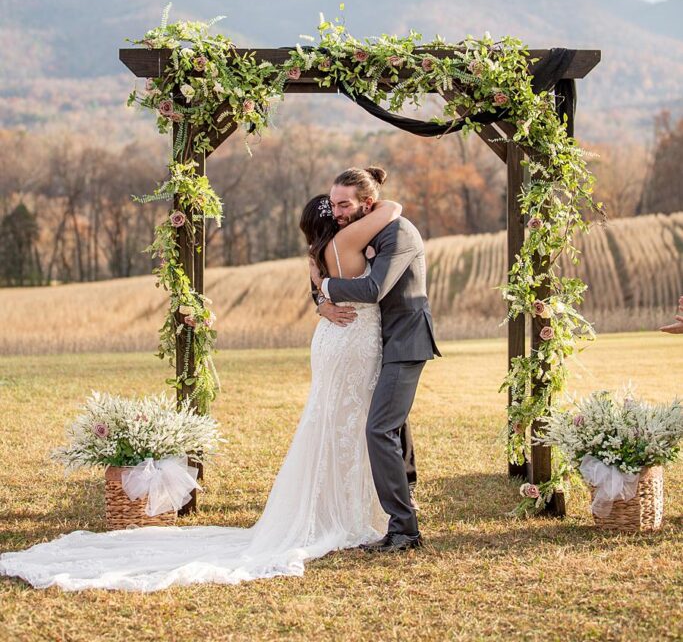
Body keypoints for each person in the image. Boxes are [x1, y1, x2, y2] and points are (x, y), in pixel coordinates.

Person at [0, 187, 402, 592]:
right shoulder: (347, 239)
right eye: (336, 208)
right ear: (332, 219)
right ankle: (349, 514)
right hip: (352, 339)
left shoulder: (317, 254)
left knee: (334, 422)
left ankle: (341, 509)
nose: (342, 213)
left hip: (334, 339)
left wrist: (323, 298)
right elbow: (393, 208)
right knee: (348, 422)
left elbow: (322, 288)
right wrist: (366, 200)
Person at [311, 167, 440, 552]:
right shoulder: (364, 231)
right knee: (393, 425)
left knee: (379, 428)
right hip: (377, 343)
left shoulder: (399, 232)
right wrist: (321, 302)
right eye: (332, 204)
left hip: (405, 342)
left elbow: (373, 288)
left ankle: (405, 529)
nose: (336, 211)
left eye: (344, 204)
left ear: (368, 203)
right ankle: (407, 496)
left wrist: (327, 287)